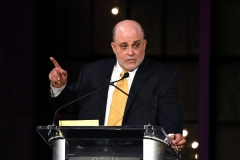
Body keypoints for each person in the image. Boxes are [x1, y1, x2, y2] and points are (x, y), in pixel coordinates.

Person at [48, 20, 186, 152]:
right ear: (114, 47)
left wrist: (172, 135)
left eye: (136, 45)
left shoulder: (162, 77)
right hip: (90, 153)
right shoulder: (92, 72)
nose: (131, 52)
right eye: (124, 46)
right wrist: (59, 86)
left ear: (144, 45)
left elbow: (169, 111)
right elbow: (68, 106)